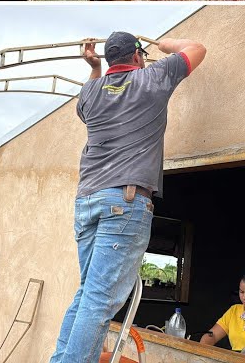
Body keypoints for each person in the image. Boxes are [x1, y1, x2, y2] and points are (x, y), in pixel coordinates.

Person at [50, 31, 208, 363]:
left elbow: (90, 94)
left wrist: (94, 68)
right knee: (98, 301)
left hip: (88, 200)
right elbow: (197, 49)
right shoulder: (153, 77)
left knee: (87, 296)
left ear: (109, 61)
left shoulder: (91, 93)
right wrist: (162, 45)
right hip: (124, 202)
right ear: (137, 57)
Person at [199, 270, 245, 354]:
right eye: (241, 292)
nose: (244, 297)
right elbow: (213, 335)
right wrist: (203, 349)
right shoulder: (234, 311)